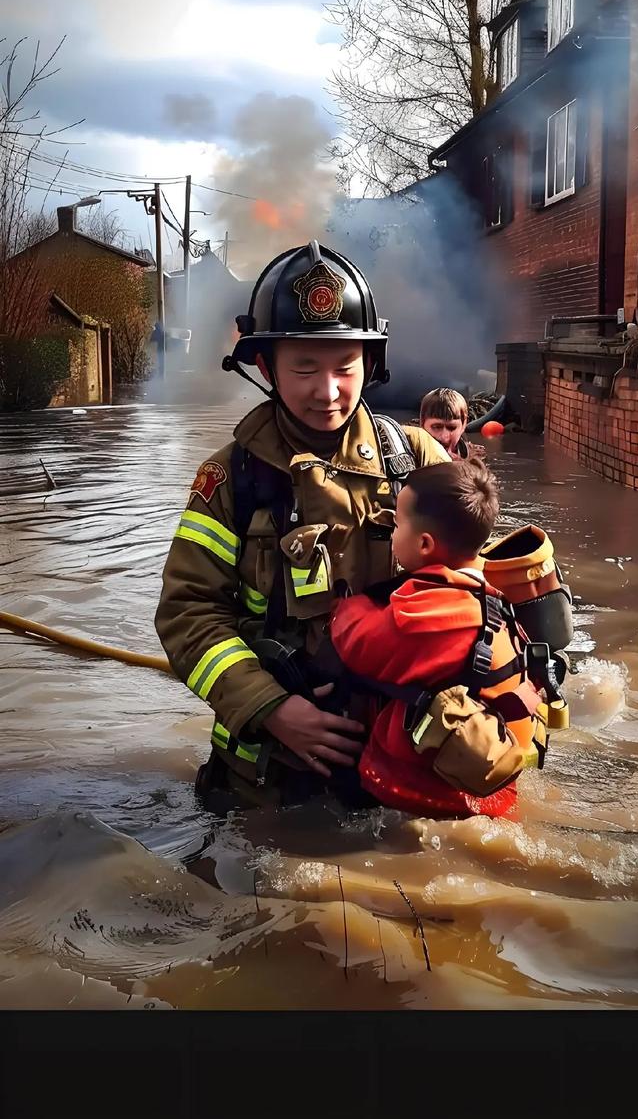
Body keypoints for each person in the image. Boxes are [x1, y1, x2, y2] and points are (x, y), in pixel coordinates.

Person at [155, 240, 449, 809]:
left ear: (371, 363)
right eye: (305, 367)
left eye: (345, 366)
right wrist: (271, 708)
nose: (328, 390)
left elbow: (481, 587)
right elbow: (188, 613)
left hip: (408, 763)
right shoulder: (230, 478)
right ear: (265, 366)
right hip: (267, 780)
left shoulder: (418, 462)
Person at [328, 458, 551, 820]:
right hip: (493, 790)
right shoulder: (492, 597)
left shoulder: (423, 614)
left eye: (397, 524)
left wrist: (346, 604)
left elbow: (356, 644)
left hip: (432, 801)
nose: (392, 532)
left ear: (426, 543)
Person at [419, 387, 485, 461]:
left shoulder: (475, 456)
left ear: (463, 425)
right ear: (422, 423)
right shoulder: (410, 453)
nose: (444, 437)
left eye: (452, 428)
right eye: (437, 427)